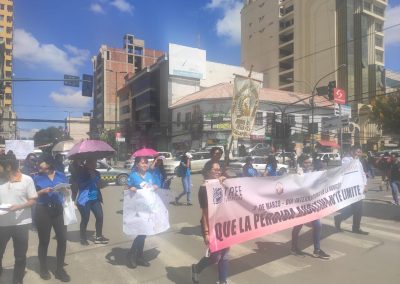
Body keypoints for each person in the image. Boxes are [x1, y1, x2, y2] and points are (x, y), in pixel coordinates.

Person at [0, 155, 37, 284]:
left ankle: (17, 280)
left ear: (8, 167)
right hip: (2, 225)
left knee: (20, 256)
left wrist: (19, 207)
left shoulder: (27, 180)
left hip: (21, 224)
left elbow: (33, 200)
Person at [33, 154, 71, 282]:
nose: (39, 165)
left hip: (58, 209)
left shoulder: (60, 175)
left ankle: (60, 270)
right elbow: (30, 195)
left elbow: (67, 188)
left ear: (49, 164)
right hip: (43, 210)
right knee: (44, 241)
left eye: (41, 163)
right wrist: (42, 192)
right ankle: (43, 268)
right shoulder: (36, 177)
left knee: (62, 239)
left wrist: (65, 189)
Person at [191, 161, 229, 284]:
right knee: (215, 256)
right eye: (215, 170)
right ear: (208, 171)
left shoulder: (221, 183)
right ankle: (196, 268)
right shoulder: (204, 189)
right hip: (210, 224)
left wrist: (225, 179)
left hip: (223, 223)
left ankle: (222, 280)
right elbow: (205, 213)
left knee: (225, 254)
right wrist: (207, 232)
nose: (218, 171)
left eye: (219, 169)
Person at [290, 155, 330, 259]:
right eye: (306, 163)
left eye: (309, 163)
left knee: (317, 226)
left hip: (311, 204)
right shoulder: (297, 173)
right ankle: (294, 248)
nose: (308, 165)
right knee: (298, 227)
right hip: (301, 205)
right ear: (301, 163)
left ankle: (317, 250)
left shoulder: (310, 173)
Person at [126, 156, 158, 269]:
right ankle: (132, 256)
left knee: (144, 233)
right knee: (141, 233)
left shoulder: (149, 175)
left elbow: (153, 187)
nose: (145, 165)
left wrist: (155, 187)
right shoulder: (133, 176)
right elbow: (127, 188)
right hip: (138, 209)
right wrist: (130, 188)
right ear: (137, 164)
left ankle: (139, 256)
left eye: (146, 163)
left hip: (148, 208)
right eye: (143, 163)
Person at [334, 146, 369, 235]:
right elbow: (347, 169)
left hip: (358, 188)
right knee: (355, 209)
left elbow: (362, 174)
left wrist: (365, 184)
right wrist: (354, 160)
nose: (358, 154)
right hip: (350, 189)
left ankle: (356, 228)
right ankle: (339, 218)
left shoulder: (359, 162)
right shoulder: (346, 159)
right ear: (351, 151)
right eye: (357, 152)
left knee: (359, 209)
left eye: (360, 152)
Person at [76, 158, 109, 246]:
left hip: (95, 198)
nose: (95, 165)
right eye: (93, 163)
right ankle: (82, 238)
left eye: (95, 163)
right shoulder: (82, 172)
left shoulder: (97, 173)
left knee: (100, 216)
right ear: (88, 163)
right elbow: (80, 185)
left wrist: (102, 183)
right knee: (85, 219)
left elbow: (99, 185)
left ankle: (98, 236)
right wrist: (89, 178)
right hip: (84, 200)